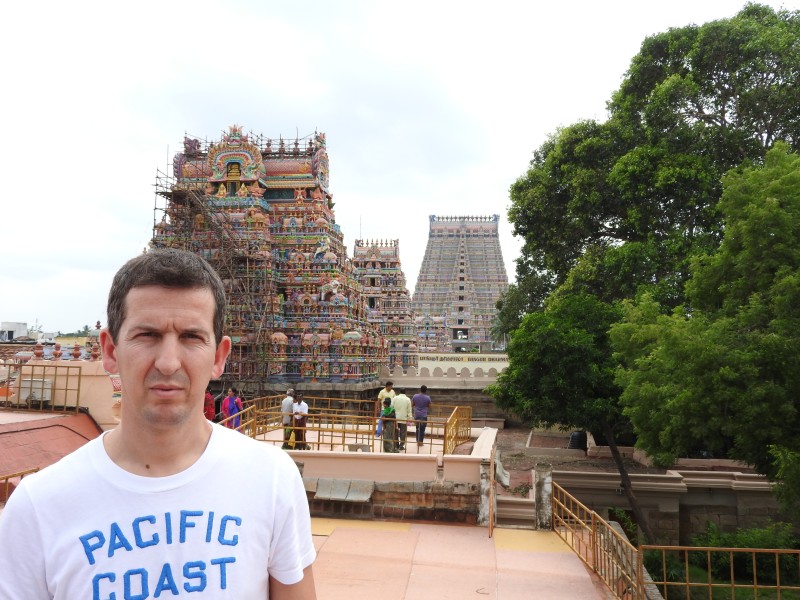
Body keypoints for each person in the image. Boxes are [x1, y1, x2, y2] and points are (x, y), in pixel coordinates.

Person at [0, 248, 316, 598]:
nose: (168, 362)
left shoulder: (272, 480)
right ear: (109, 350)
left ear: (219, 357)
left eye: (191, 337)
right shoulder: (38, 506)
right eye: (147, 335)